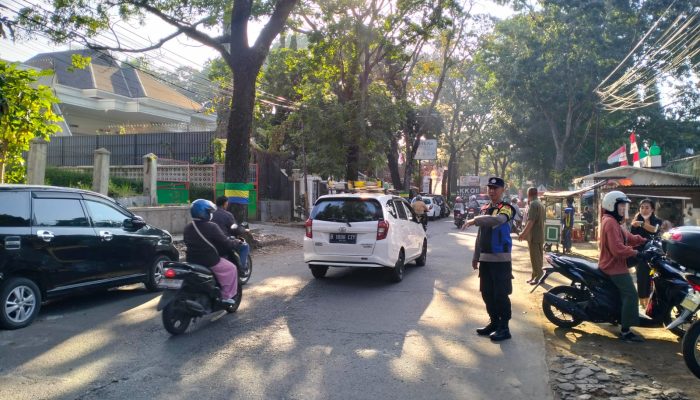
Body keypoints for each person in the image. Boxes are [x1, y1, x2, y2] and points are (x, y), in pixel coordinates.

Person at [461, 176, 515, 342]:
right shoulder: (484, 208)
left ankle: (504, 328)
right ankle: (494, 322)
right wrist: (475, 256)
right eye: (489, 188)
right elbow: (480, 235)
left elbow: (497, 220)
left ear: (502, 190)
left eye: (495, 188)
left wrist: (474, 220)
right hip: (485, 259)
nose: (492, 191)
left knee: (501, 294)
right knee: (487, 293)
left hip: (501, 260)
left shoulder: (506, 208)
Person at [598, 190, 648, 342]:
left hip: (616, 264)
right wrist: (635, 253)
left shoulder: (613, 221)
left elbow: (628, 237)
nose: (623, 209)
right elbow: (617, 249)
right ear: (611, 205)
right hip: (613, 266)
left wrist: (643, 240)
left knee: (626, 294)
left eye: (624, 206)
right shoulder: (610, 223)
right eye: (620, 205)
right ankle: (625, 331)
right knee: (631, 295)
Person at [183, 199, 239, 305]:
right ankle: (226, 297)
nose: (210, 214)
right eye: (209, 212)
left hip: (191, 260)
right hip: (209, 261)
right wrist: (235, 242)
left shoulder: (188, 227)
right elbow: (225, 242)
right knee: (231, 268)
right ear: (204, 213)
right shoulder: (211, 226)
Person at [630, 199, 662, 309]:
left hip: (653, 252)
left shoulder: (657, 221)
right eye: (642, 207)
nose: (644, 209)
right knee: (641, 275)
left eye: (647, 207)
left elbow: (655, 230)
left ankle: (648, 299)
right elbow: (631, 237)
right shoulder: (635, 221)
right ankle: (641, 299)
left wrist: (642, 224)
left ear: (652, 209)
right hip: (639, 253)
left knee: (650, 277)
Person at [212, 195, 250, 272]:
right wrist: (244, 230)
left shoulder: (209, 215)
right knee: (245, 246)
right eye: (227, 203)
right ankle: (242, 268)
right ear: (225, 203)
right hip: (224, 243)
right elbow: (236, 229)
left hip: (210, 244)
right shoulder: (227, 215)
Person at [518, 187, 545, 284]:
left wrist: (523, 234)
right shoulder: (540, 204)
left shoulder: (533, 204)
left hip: (533, 236)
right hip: (540, 234)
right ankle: (535, 275)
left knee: (534, 258)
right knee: (538, 257)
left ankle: (538, 276)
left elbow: (531, 221)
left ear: (529, 194)